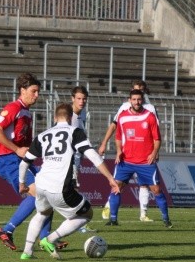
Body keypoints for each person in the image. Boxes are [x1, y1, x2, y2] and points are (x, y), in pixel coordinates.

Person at [18, 102, 119, 260]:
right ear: (71, 117)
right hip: (59, 186)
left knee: (41, 213)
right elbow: (92, 155)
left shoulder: (43, 135)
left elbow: (24, 163)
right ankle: (49, 240)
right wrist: (110, 178)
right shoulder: (74, 132)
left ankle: (27, 252)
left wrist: (22, 183)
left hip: (41, 184)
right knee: (86, 214)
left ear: (55, 117)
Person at [0, 72, 66, 252]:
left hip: (20, 160)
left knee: (48, 191)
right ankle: (6, 230)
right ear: (22, 90)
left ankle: (45, 238)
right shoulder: (13, 108)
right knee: (38, 193)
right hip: (7, 159)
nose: (37, 95)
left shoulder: (26, 113)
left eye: (38, 91)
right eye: (34, 91)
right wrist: (16, 150)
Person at [105, 88, 172, 228]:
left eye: (139, 99)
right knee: (116, 187)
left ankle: (166, 219)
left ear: (143, 100)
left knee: (156, 190)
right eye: (134, 99)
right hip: (126, 161)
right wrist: (118, 151)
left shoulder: (150, 116)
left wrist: (154, 153)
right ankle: (113, 219)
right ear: (129, 101)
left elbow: (157, 139)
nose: (137, 102)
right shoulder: (122, 116)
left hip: (145, 162)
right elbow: (118, 137)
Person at [98, 79, 160, 222]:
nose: (138, 95)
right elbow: (115, 125)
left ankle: (143, 214)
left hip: (145, 153)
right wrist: (104, 142)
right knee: (119, 184)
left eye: (142, 90)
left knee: (144, 184)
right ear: (131, 93)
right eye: (136, 90)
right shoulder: (125, 107)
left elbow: (156, 133)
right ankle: (109, 206)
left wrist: (156, 152)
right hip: (127, 153)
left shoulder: (150, 108)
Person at [70, 85, 89, 188]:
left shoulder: (83, 113)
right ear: (72, 99)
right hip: (68, 159)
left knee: (73, 187)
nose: (82, 101)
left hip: (77, 157)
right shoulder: (68, 115)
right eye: (79, 99)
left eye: (84, 99)